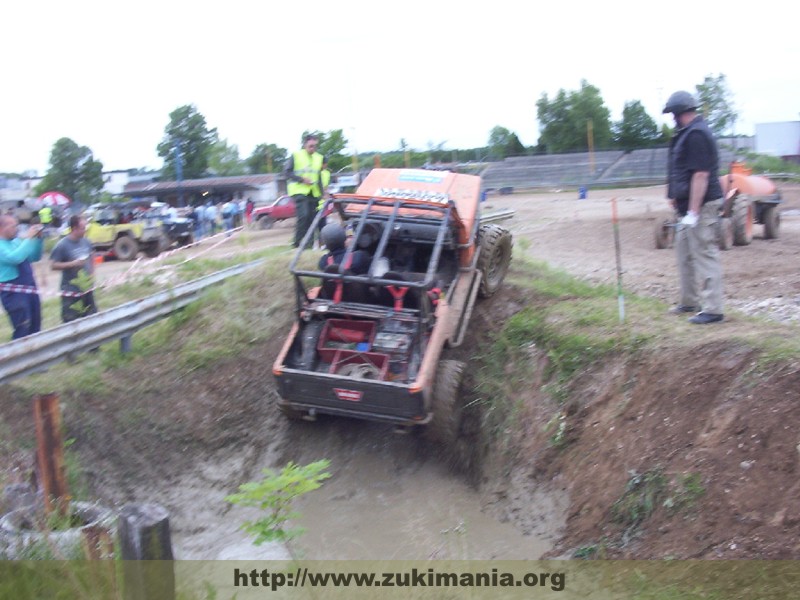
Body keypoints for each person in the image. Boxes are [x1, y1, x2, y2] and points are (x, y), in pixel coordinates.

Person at [663, 90, 724, 324]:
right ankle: (690, 301)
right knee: (685, 255)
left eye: (673, 114)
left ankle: (714, 309)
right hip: (686, 207)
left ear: (680, 113)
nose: (672, 119)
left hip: (701, 205)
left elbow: (700, 175)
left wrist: (694, 212)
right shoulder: (687, 134)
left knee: (704, 254)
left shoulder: (697, 134)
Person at [0, 215, 43, 340]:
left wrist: (38, 240)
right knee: (23, 325)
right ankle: (19, 356)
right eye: (14, 226)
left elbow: (34, 257)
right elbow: (15, 258)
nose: (17, 229)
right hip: (13, 291)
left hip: (29, 286)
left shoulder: (16, 242)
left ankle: (37, 355)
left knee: (35, 323)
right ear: (2, 228)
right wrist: (29, 238)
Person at [50, 215, 98, 323]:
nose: (85, 231)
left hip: (86, 287)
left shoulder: (86, 241)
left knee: (91, 317)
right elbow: (53, 265)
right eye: (83, 228)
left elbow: (92, 254)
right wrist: (72, 264)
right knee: (71, 321)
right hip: (70, 290)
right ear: (74, 228)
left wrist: (92, 273)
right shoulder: (62, 245)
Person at [284, 134, 325, 248]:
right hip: (299, 191)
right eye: (310, 146)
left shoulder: (319, 157)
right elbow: (287, 172)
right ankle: (297, 243)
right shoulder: (296, 155)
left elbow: (318, 177)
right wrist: (301, 179)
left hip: (313, 192)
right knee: (304, 215)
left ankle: (309, 245)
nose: (313, 148)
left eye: (315, 146)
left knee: (312, 219)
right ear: (305, 145)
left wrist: (322, 193)